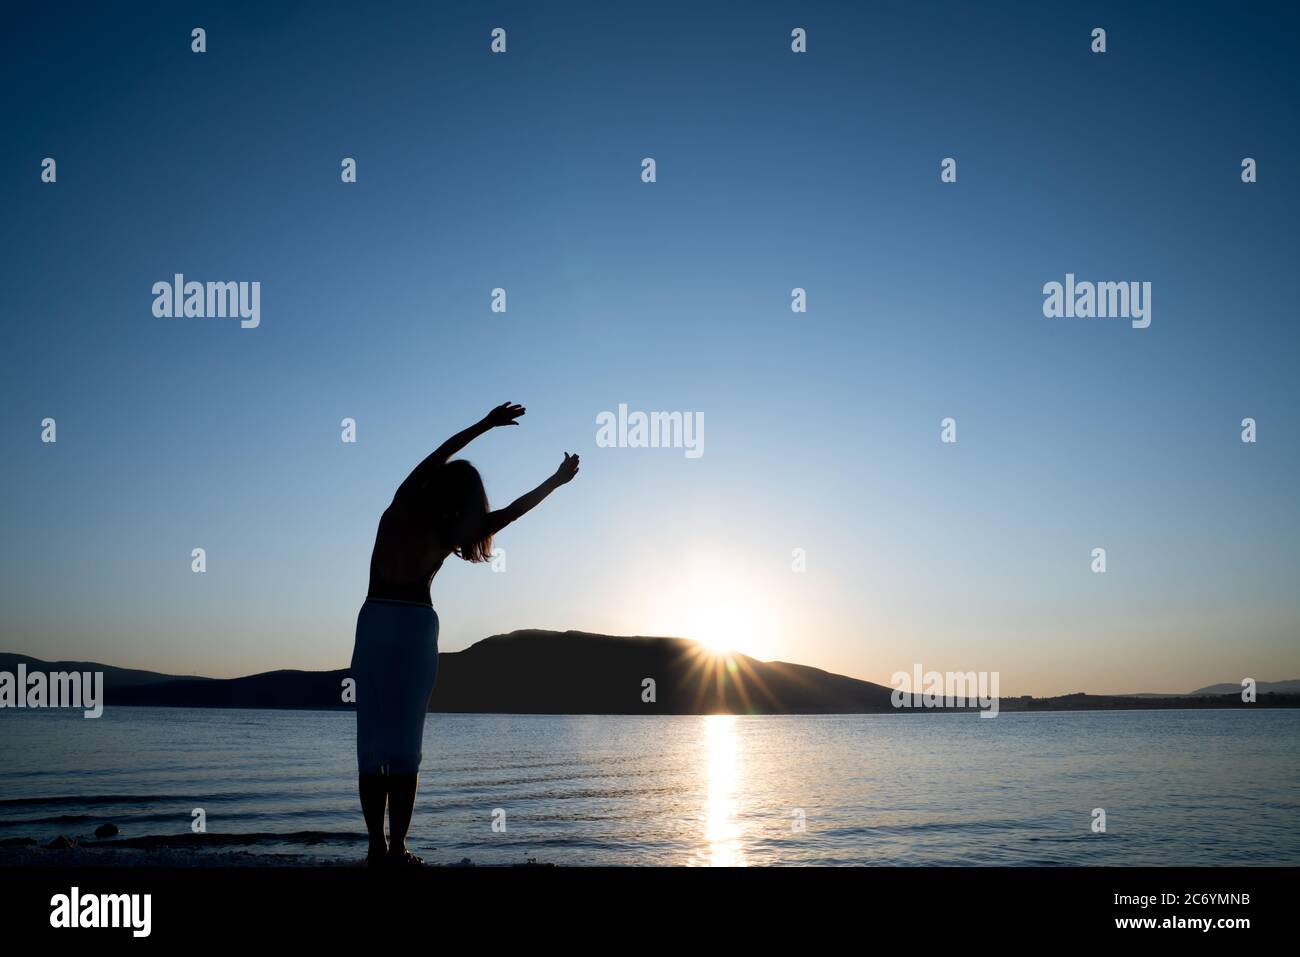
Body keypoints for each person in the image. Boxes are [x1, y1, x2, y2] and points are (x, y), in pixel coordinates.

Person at [350, 402, 580, 865]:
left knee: (372, 740)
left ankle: (377, 850)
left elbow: (441, 451)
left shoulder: (402, 500)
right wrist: (556, 481)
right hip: (414, 628)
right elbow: (514, 511)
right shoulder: (452, 530)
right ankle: (397, 850)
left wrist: (485, 425)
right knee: (406, 743)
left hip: (375, 622)